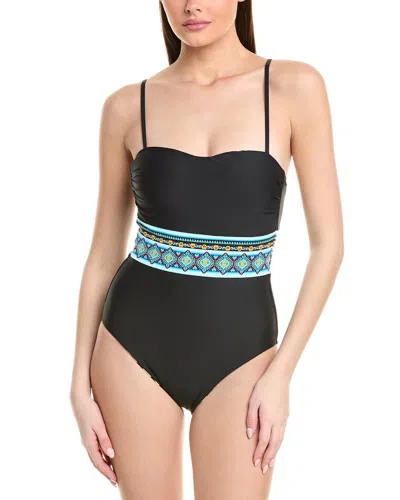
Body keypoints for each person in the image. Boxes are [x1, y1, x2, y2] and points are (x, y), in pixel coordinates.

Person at [70, 1, 344, 498]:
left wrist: (281, 374)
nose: (191, 4)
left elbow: (329, 246)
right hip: (130, 345)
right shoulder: (127, 106)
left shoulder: (293, 87)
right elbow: (103, 255)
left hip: (244, 354)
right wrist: (77, 385)